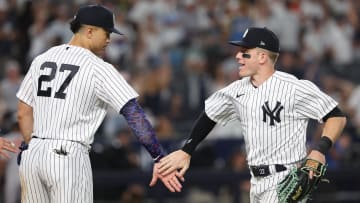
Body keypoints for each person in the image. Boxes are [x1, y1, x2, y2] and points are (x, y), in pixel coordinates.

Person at [155, 27, 347, 202]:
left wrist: (320, 149)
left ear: (262, 57)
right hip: (255, 182)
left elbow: (336, 116)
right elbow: (209, 115)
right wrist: (187, 150)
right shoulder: (236, 90)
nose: (238, 56)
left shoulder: (293, 88)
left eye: (245, 53)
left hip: (286, 179)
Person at [16, 4, 182, 203]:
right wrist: (159, 157)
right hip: (68, 157)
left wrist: (31, 146)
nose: (109, 40)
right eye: (107, 33)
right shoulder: (98, 68)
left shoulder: (42, 59)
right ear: (89, 31)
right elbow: (134, 114)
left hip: (32, 155)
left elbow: (23, 113)